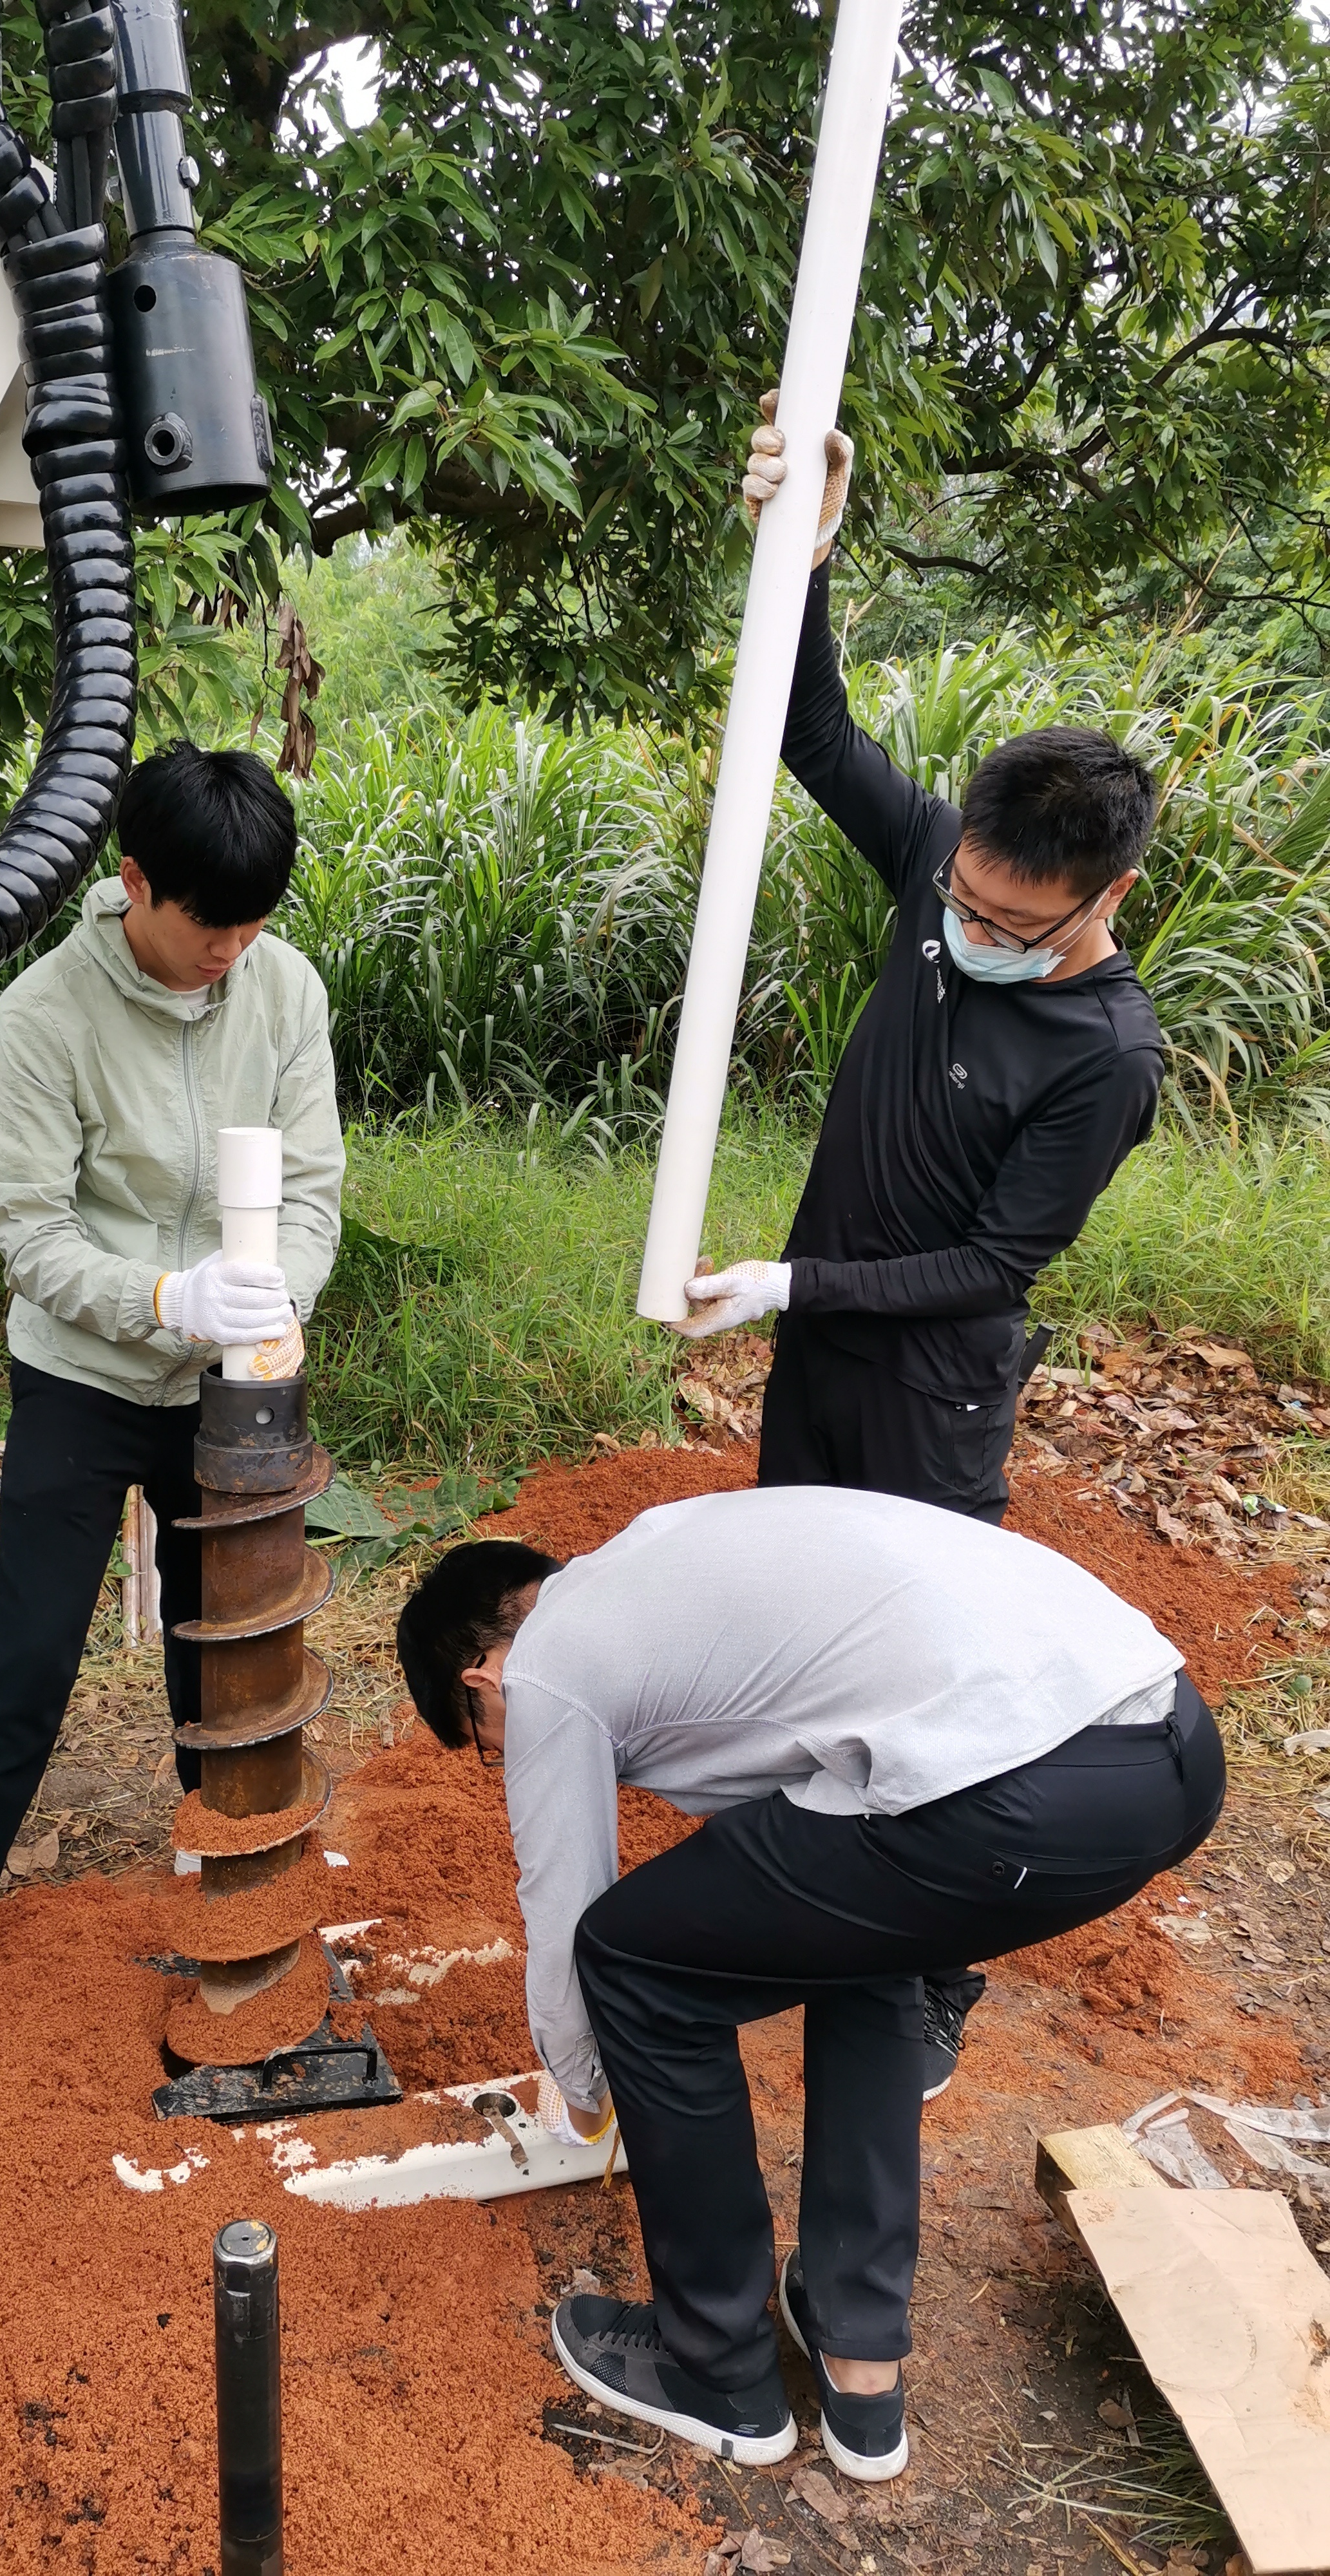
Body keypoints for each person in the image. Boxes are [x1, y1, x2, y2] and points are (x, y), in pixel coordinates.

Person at [675, 397, 1168, 2094]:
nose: (968, 936)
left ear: (1098, 903)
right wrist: (804, 551)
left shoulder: (1103, 1057)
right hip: (822, 1362)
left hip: (930, 1391)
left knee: (926, 1679)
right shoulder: (942, 886)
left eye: (1011, 926)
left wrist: (793, 1280)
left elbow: (990, 1271)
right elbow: (810, 732)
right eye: (960, 901)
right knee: (794, 1628)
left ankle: (934, 1972)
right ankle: (796, 1894)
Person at [395, 1490, 1222, 2480]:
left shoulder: (549, 1665)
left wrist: (582, 2090)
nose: (506, 1752)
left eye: (485, 1736)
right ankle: (859, 2359)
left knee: (630, 1962)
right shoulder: (666, 1561)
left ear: (483, 1673)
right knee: (857, 1935)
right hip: (1165, 1744)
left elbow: (565, 1898)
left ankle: (717, 2371)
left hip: (1021, 1794)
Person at [0, 742, 344, 2121]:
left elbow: (309, 1187)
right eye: (211, 927)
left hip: (231, 1382)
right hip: (81, 1372)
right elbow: (29, 1229)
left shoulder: (281, 988)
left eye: (257, 926)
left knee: (232, 1665)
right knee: (26, 1664)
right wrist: (161, 1294)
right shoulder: (46, 1014)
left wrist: (269, 1293)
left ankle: (248, 1899)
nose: (235, 954)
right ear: (134, 883)